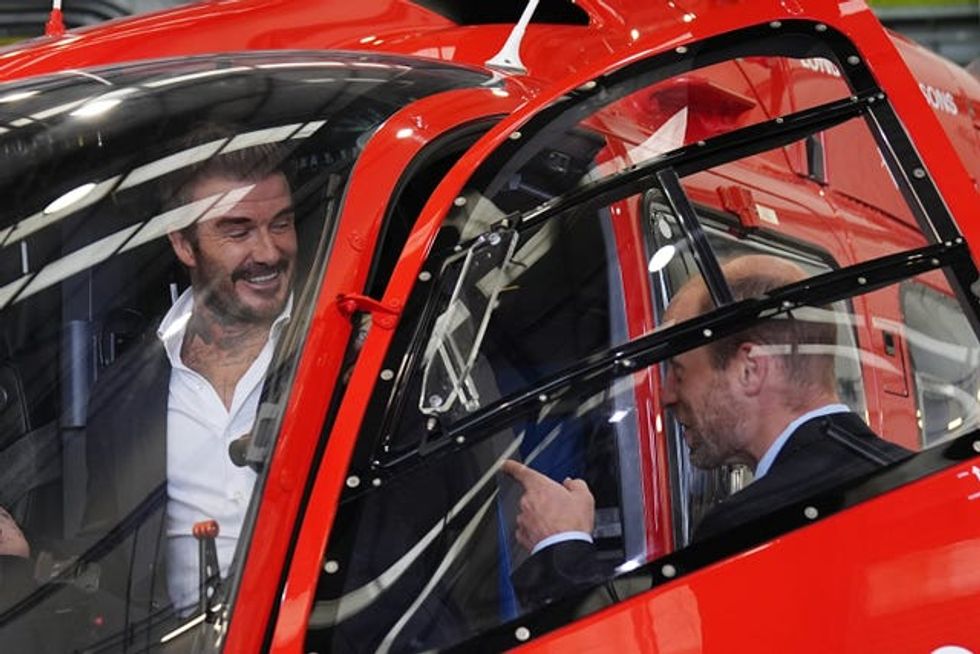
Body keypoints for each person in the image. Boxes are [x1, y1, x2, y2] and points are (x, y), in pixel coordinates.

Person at [502, 255, 911, 604]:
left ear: (750, 369)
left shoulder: (756, 525)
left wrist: (560, 545)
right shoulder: (903, 475)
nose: (665, 395)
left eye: (679, 371)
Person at [83, 133, 297, 617]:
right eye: (238, 231)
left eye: (280, 223)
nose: (268, 252)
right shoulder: (123, 395)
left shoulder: (349, 348)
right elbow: (112, 565)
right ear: (183, 243)